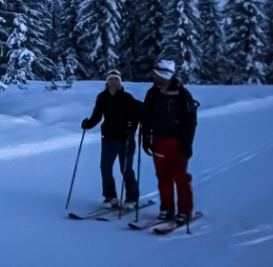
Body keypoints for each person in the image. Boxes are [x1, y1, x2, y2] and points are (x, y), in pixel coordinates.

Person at [141, 60, 198, 223]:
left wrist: (187, 143)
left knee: (180, 177)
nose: (153, 76)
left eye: (156, 74)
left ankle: (185, 210)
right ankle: (167, 208)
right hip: (158, 140)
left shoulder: (182, 94)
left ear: (164, 75)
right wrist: (146, 137)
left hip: (177, 143)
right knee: (163, 177)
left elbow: (191, 120)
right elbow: (146, 117)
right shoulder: (152, 94)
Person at [81, 69, 141, 209]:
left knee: (126, 169)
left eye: (116, 79)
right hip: (108, 138)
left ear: (120, 82)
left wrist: (132, 129)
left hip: (126, 139)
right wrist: (88, 124)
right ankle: (110, 196)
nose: (114, 82)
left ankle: (131, 198)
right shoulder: (102, 97)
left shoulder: (127, 98)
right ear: (107, 81)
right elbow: (97, 115)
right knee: (105, 167)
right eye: (111, 79)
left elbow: (137, 115)